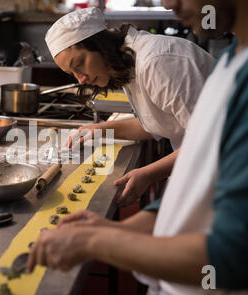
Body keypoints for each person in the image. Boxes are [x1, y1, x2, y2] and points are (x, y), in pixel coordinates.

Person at [28, 0, 248, 295]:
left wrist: (95, 242)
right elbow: (199, 164)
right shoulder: (235, 58)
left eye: (80, 65)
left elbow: (240, 255)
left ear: (98, 44)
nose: (167, 3)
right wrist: (129, 227)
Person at [45, 7, 215, 207]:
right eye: (72, 73)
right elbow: (159, 123)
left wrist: (148, 174)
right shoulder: (130, 64)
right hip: (203, 168)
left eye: (80, 63)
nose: (80, 79)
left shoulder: (157, 62)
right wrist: (100, 130)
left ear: (100, 45)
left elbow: (208, 141)